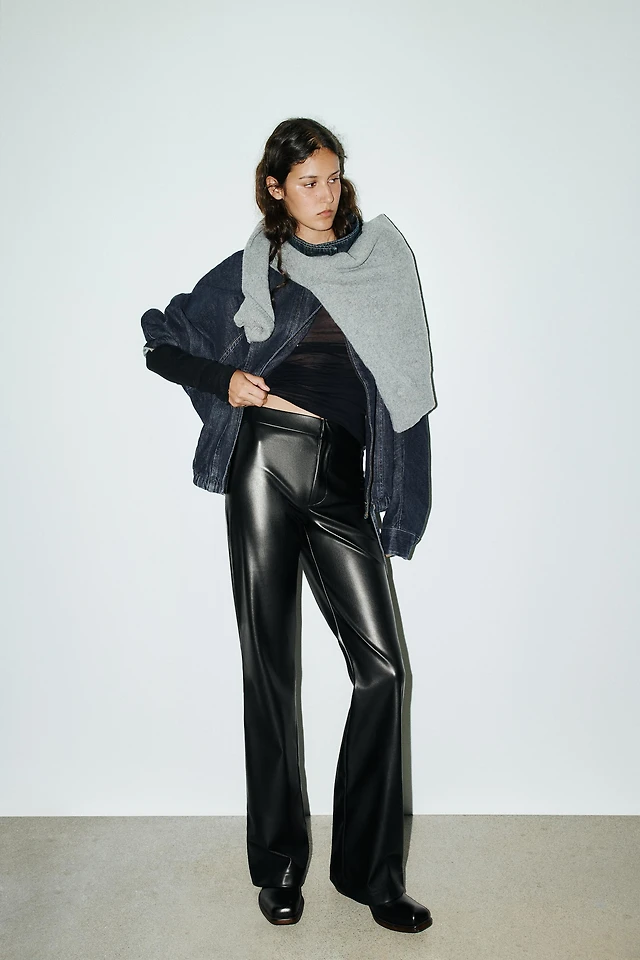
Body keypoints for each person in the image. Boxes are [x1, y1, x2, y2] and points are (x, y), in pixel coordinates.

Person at [140, 117, 437, 934]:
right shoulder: (257, 270)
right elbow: (161, 338)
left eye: (333, 178)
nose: (325, 193)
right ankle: (277, 868)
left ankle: (370, 875)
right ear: (276, 188)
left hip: (343, 482)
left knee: (384, 672)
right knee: (270, 671)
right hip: (266, 464)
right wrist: (224, 379)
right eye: (308, 181)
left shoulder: (383, 257)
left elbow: (406, 384)